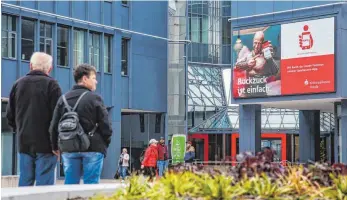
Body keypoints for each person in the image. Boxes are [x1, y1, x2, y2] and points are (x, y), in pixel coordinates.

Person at [49, 63, 112, 184]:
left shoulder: (63, 99)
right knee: (91, 186)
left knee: (70, 185)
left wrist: (55, 147)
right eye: (94, 78)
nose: (96, 82)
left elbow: (54, 126)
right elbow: (106, 126)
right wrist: (104, 143)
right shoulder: (94, 98)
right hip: (93, 147)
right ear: (84, 78)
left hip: (69, 147)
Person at [6, 52, 62, 186]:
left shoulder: (17, 84)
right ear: (49, 68)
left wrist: (21, 130)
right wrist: (56, 144)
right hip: (47, 145)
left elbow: (10, 116)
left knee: (25, 182)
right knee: (44, 185)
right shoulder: (53, 85)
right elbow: (58, 118)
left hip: (24, 143)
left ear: (30, 65)